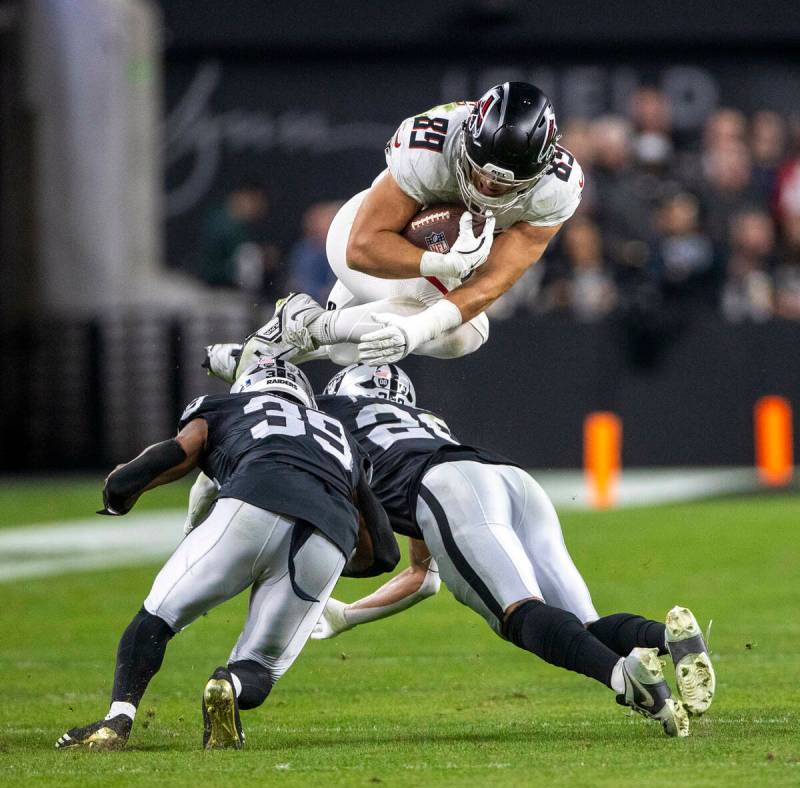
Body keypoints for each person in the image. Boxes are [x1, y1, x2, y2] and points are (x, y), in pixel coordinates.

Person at [309, 364, 715, 737]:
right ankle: (669, 639)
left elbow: (405, 562)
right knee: (582, 624)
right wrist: (347, 616)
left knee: (518, 614)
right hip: (511, 479)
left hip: (446, 487)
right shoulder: (425, 422)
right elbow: (423, 576)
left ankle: (627, 681)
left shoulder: (329, 418)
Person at [55, 358, 399, 751]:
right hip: (329, 532)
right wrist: (332, 559)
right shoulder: (341, 436)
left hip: (251, 502)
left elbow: (177, 452)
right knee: (261, 666)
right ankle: (227, 684)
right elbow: (383, 551)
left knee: (157, 616)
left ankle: (117, 721)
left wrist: (121, 490)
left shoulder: (226, 407)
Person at [204, 81, 584, 379]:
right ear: (467, 139)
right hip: (369, 240)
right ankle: (305, 326)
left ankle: (290, 336)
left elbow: (492, 282)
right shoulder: (431, 146)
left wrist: (419, 329)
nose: (486, 188)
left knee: (350, 351)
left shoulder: (556, 189)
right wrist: (446, 265)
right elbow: (362, 247)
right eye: (479, 171)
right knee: (470, 330)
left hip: (436, 268)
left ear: (538, 173)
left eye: (503, 185)